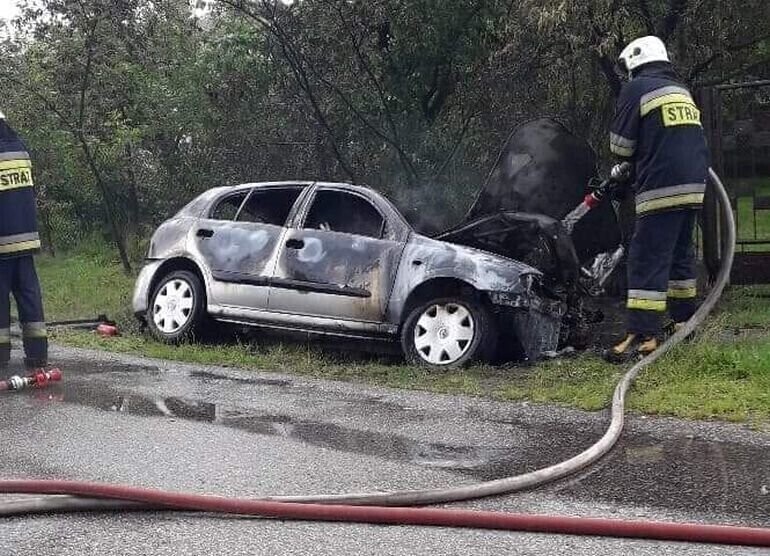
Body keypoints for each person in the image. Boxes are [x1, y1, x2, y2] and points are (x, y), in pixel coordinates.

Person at [603, 36, 709, 363]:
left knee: (646, 257)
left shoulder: (637, 89)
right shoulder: (681, 91)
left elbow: (620, 145)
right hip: (694, 186)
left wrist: (626, 165)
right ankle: (683, 323)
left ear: (636, 60)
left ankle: (642, 334)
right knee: (679, 258)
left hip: (660, 187)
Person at [0, 111, 48, 372]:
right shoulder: (20, 149)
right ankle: (38, 355)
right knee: (30, 296)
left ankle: (1, 357)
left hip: (2, 242)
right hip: (26, 239)